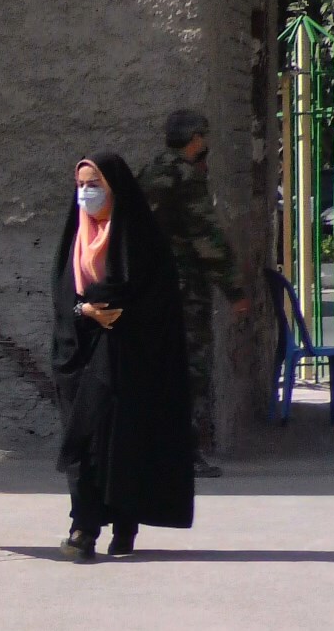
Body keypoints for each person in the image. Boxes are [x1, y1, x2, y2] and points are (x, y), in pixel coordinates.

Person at [52, 153, 195, 561]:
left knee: (118, 444)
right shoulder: (75, 238)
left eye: (94, 184)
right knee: (82, 439)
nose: (86, 193)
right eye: (80, 185)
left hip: (129, 356)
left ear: (114, 188)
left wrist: (119, 309)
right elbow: (63, 295)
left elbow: (157, 297)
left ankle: (122, 522)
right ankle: (84, 527)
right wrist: (86, 310)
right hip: (80, 352)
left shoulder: (140, 237)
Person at [138, 109, 251, 478]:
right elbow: (207, 239)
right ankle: (184, 452)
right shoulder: (185, 176)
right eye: (204, 137)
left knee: (158, 367)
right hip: (185, 290)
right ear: (195, 139)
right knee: (191, 369)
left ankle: (152, 450)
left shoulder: (151, 171)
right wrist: (235, 290)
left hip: (151, 288)